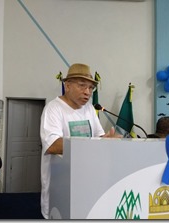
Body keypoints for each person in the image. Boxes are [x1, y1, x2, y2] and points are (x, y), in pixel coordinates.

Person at [40, 63, 121, 219]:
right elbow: (52, 145)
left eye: (91, 88)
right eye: (82, 86)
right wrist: (93, 144)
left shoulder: (89, 109)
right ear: (67, 85)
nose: (87, 92)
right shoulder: (53, 109)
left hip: (86, 180)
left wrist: (107, 140)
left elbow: (99, 138)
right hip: (60, 185)